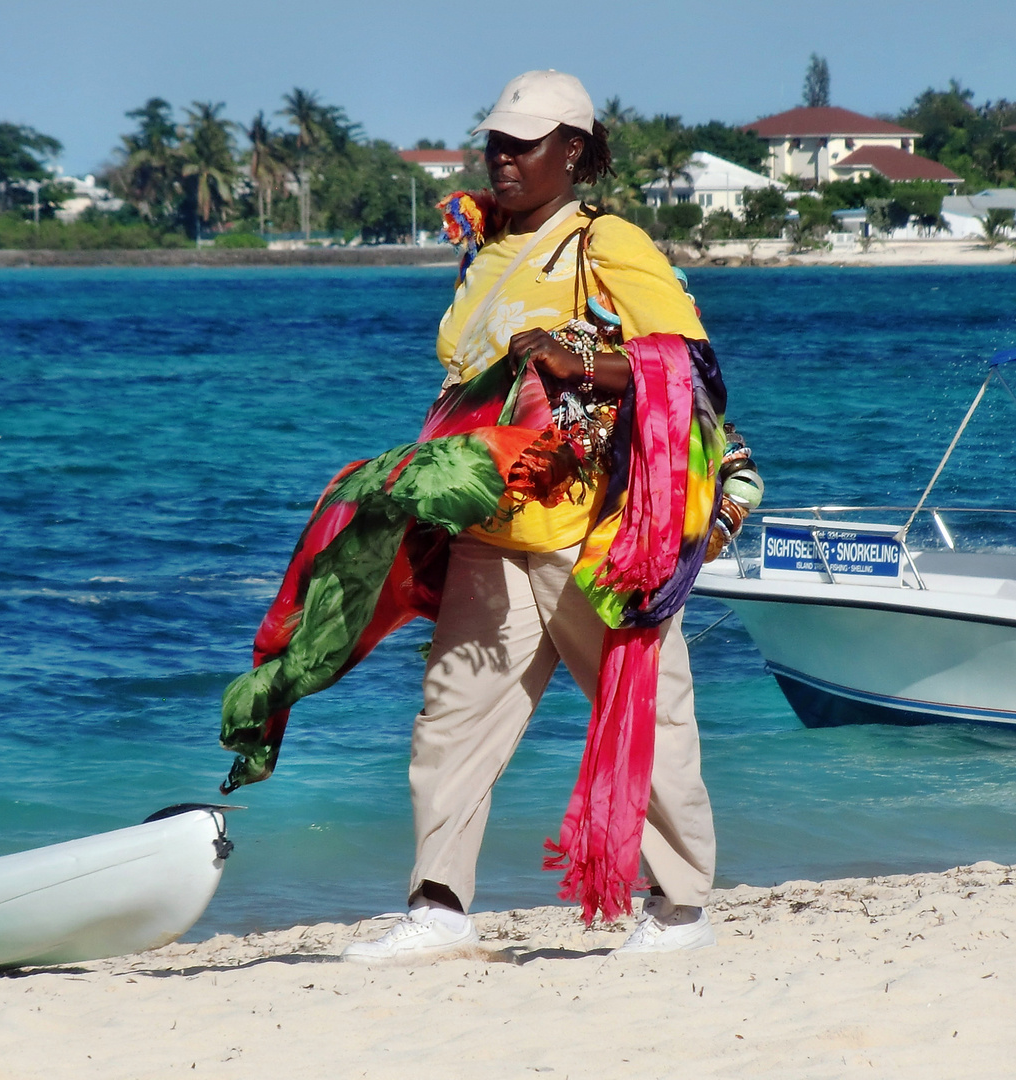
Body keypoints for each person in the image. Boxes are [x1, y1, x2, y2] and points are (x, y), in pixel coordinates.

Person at [339, 70, 719, 963]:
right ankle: (437, 907)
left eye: (526, 143)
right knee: (451, 723)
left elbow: (691, 373)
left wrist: (573, 363)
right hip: (491, 534)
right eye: (497, 142)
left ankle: (680, 909)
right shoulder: (482, 250)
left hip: (593, 536)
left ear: (573, 152)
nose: (504, 158)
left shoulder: (604, 243)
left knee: (646, 716)